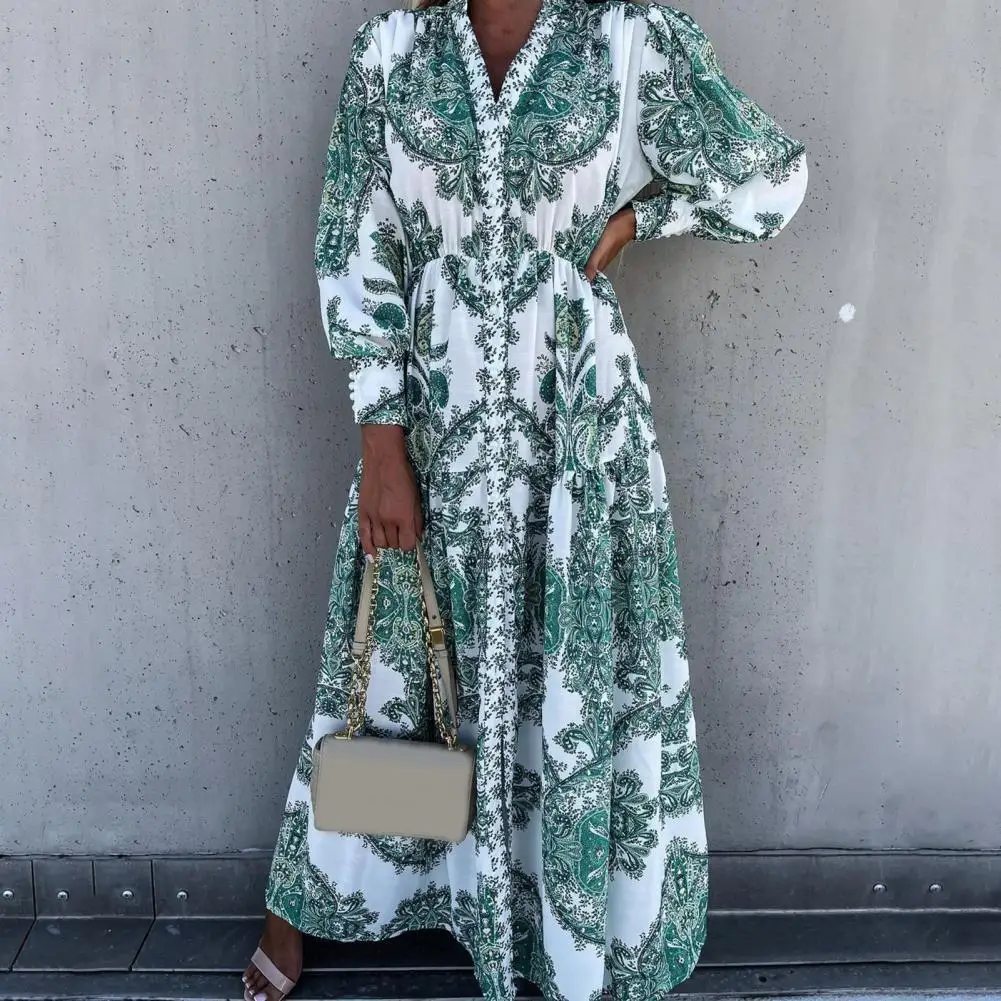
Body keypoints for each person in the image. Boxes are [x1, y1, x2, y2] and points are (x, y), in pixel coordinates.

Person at [243, 0, 807, 999]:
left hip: (577, 434)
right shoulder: (393, 52)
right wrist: (381, 440)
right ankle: (317, 905)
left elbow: (770, 177)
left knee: (567, 687)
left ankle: (555, 928)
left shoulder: (627, 40)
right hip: (434, 429)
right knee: (389, 673)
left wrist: (640, 217)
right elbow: (356, 240)